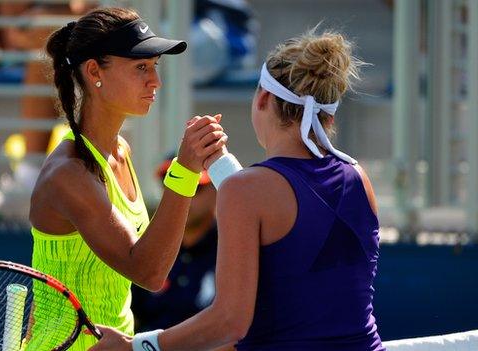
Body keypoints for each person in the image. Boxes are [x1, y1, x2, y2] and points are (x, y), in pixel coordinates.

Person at [90, 28, 384, 351]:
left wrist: (136, 347)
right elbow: (294, 232)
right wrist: (220, 165)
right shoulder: (358, 177)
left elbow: (229, 322)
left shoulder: (246, 192)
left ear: (263, 99)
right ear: (327, 116)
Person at [23, 7, 227, 350]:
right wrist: (185, 171)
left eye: (154, 67)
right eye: (140, 67)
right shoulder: (68, 175)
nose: (155, 81)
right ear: (94, 72)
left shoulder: (121, 151)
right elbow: (149, 272)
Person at [0, 1, 97, 220]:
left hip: (140, 25)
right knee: (46, 33)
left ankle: (31, 179)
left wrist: (32, 27)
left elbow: (85, 8)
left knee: (47, 32)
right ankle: (30, 179)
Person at [131, 155, 218, 331]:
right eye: (172, 186)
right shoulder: (148, 247)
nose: (183, 196)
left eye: (194, 187)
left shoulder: (235, 248)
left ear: (217, 189)